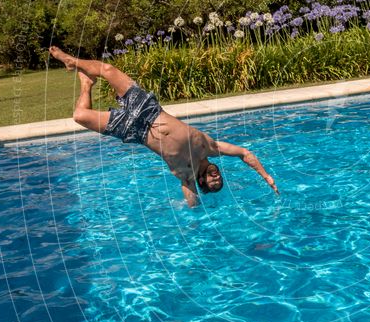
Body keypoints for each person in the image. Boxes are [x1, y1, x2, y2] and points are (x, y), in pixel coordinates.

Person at [49, 46, 278, 207]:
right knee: (108, 70)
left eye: (213, 182)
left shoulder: (187, 176)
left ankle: (86, 83)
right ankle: (72, 61)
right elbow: (244, 153)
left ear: (201, 182)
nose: (217, 177)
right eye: (219, 179)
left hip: (134, 130)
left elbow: (192, 201)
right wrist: (266, 176)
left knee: (80, 116)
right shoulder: (210, 147)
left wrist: (196, 221)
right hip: (149, 110)